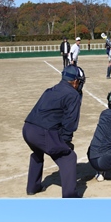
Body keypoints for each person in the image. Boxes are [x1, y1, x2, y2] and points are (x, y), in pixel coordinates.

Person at [22, 64, 85, 198]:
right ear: (75, 81)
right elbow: (70, 123)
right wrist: (65, 143)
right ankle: (70, 197)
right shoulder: (73, 94)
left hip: (27, 129)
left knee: (37, 152)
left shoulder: (50, 90)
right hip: (42, 132)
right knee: (69, 157)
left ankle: (33, 187)